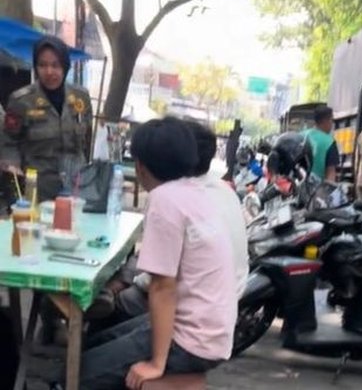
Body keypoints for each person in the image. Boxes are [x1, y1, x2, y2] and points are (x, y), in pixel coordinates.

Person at [52, 117, 237, 390]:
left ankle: (177, 381)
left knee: (72, 377)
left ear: (139, 166)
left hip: (191, 339)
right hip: (213, 331)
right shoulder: (196, 191)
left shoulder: (165, 199)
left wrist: (156, 364)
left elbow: (162, 287)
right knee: (90, 347)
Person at [87, 120, 249, 329]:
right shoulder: (223, 190)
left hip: (195, 309)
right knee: (139, 260)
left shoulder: (174, 198)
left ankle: (90, 344)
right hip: (227, 299)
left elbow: (159, 283)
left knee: (117, 305)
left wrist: (129, 284)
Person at [0, 35, 93, 202]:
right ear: (35, 67)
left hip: (76, 190)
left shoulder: (81, 98)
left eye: (55, 65)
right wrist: (13, 170)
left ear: (65, 66)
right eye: (42, 65)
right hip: (37, 192)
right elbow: (8, 142)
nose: (49, 71)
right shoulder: (21, 101)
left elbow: (87, 141)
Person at [303, 105, 339, 182]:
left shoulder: (300, 136)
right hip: (316, 190)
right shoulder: (329, 142)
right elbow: (330, 173)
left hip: (297, 188)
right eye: (331, 120)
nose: (332, 124)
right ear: (326, 121)